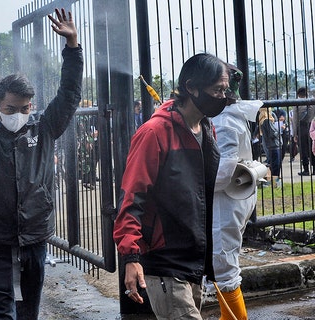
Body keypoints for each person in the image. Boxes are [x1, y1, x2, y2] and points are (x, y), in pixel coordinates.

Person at [0, 5, 82, 319]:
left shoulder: (44, 128)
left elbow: (70, 94)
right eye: (10, 109)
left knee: (29, 309)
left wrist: (72, 47)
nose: (18, 114)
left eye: (24, 107)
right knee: (1, 308)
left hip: (34, 234)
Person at [113, 53, 228, 319]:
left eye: (225, 90)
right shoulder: (154, 133)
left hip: (195, 260)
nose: (223, 97)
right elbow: (132, 197)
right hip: (165, 261)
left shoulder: (208, 130)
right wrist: (131, 258)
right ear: (191, 87)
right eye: (217, 90)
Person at [210, 65, 263, 319]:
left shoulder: (224, 120)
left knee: (223, 265)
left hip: (226, 201)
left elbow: (223, 173)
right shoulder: (233, 113)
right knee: (224, 261)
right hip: (233, 200)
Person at [293, 87, 315, 175]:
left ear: (298, 94)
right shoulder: (312, 103)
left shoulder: (296, 104)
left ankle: (306, 170)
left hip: (301, 127)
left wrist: (295, 133)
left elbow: (295, 120)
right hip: (312, 126)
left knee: (303, 150)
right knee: (313, 148)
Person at [258, 107, 282, 187]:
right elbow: (272, 133)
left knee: (273, 164)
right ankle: (274, 183)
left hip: (270, 145)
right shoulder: (267, 120)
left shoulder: (263, 120)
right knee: (275, 165)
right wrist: (279, 130)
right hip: (273, 145)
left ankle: (273, 182)